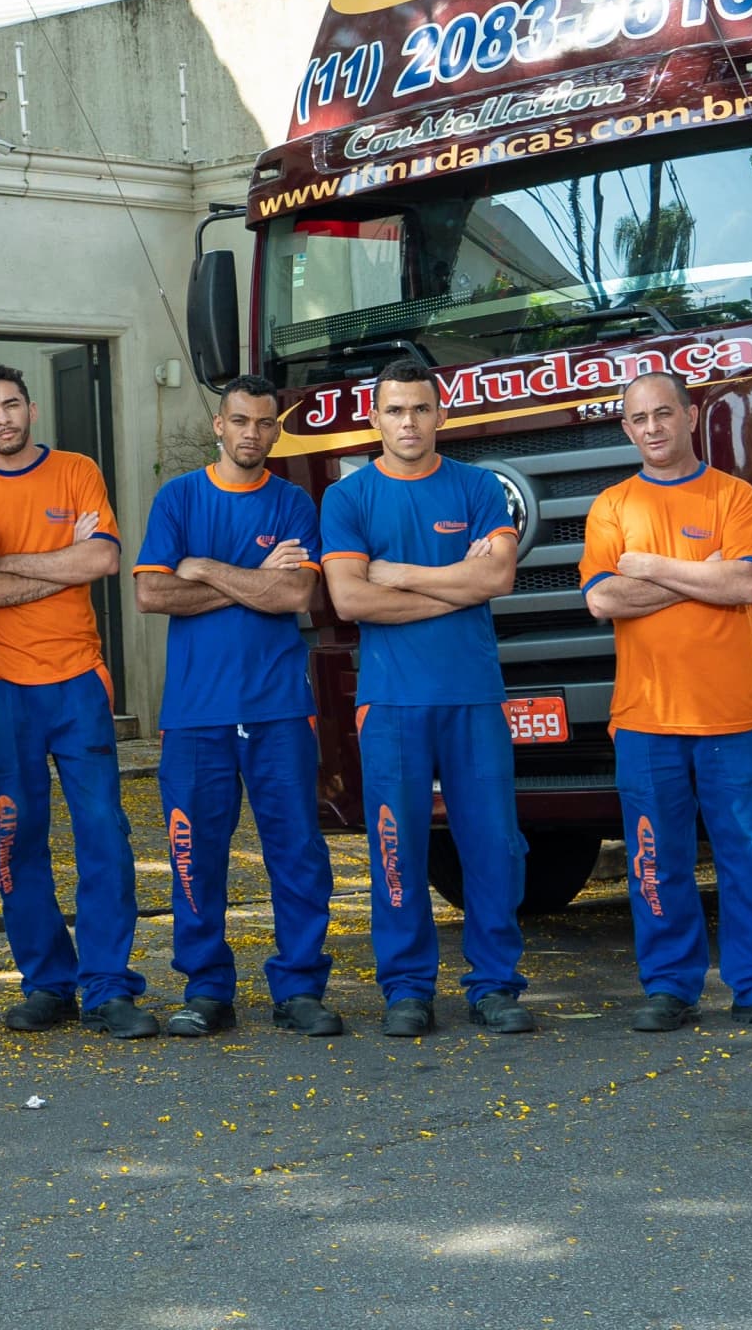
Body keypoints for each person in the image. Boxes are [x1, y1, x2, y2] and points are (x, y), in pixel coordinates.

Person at [578, 369, 752, 1034]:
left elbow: (746, 584)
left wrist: (651, 566)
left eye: (663, 413)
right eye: (638, 418)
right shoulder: (612, 507)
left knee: (750, 855)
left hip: (731, 713)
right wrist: (703, 576)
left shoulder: (734, 497)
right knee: (655, 861)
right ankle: (669, 987)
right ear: (627, 429)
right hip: (645, 717)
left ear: (689, 415)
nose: (652, 427)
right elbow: (603, 598)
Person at [316, 357, 534, 1038]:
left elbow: (497, 579)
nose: (408, 422)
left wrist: (400, 575)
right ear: (375, 418)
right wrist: (454, 584)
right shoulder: (348, 499)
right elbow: (350, 600)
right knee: (397, 849)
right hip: (392, 701)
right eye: (395, 410)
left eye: (419, 408)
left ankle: (495, 985)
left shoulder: (477, 487)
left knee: (493, 846)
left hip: (473, 695)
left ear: (441, 414)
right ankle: (407, 989)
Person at [0, 362, 158, 1039]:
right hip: (2, 686)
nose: (3, 418)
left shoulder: (76, 470)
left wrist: (6, 562)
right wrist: (57, 562)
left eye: (11, 404)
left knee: (103, 834)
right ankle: (47, 983)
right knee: (16, 841)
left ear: (31, 409)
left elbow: (101, 561)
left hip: (77, 680)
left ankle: (107, 986)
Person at [133, 376, 342, 1038]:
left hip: (278, 707)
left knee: (297, 850)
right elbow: (152, 596)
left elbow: (294, 597)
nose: (253, 433)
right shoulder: (179, 498)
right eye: (241, 421)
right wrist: (252, 580)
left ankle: (300, 986)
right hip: (196, 712)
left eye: (265, 423)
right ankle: (205, 989)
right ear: (218, 426)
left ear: (276, 430)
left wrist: (202, 567)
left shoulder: (293, 503)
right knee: (195, 854)